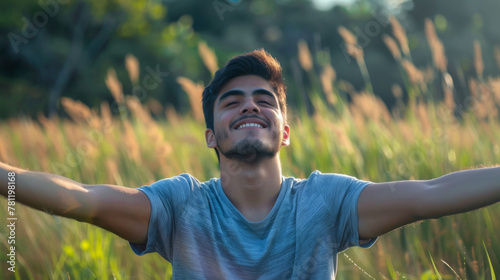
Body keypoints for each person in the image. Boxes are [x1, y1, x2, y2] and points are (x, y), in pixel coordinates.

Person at [1, 49, 499, 279]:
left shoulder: (326, 201)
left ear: (284, 132)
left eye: (265, 99)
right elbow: (84, 201)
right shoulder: (181, 206)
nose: (250, 105)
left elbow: (431, 195)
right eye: (232, 101)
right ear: (211, 136)